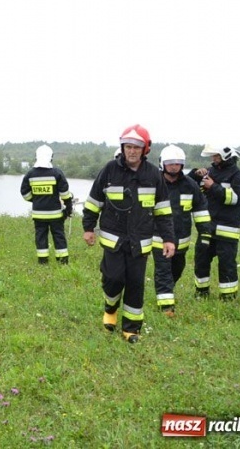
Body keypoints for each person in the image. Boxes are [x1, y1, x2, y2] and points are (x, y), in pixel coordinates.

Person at [82, 124, 175, 343]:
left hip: (140, 242)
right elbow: (94, 201)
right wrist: (88, 227)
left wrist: (168, 239)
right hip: (113, 240)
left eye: (136, 147)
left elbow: (163, 210)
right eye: (128, 147)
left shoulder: (153, 174)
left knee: (135, 284)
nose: (131, 151)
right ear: (122, 148)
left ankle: (131, 329)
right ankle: (110, 307)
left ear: (145, 150)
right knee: (113, 279)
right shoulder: (109, 170)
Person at [152, 145, 211, 315]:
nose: (174, 166)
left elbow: (200, 210)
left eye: (177, 163)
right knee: (163, 270)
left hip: (182, 239)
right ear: (162, 163)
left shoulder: (190, 185)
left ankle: (167, 291)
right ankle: (166, 308)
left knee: (177, 269)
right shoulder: (154, 183)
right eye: (170, 163)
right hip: (159, 238)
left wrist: (205, 233)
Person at [188, 145, 240, 300]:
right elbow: (188, 184)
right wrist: (196, 173)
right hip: (207, 228)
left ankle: (228, 298)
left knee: (227, 265)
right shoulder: (210, 171)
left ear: (226, 156)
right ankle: (201, 294)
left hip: (227, 229)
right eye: (212, 156)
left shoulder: (238, 176)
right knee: (201, 260)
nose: (213, 159)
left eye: (216, 156)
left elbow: (235, 199)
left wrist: (213, 186)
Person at [21, 145, 74, 265]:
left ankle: (42, 261)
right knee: (58, 236)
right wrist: (68, 208)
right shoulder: (57, 173)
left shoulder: (30, 174)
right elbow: (65, 194)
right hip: (55, 214)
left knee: (40, 237)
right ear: (51, 157)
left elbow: (25, 194)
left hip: (38, 215)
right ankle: (62, 261)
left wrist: (36, 200)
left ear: (36, 156)